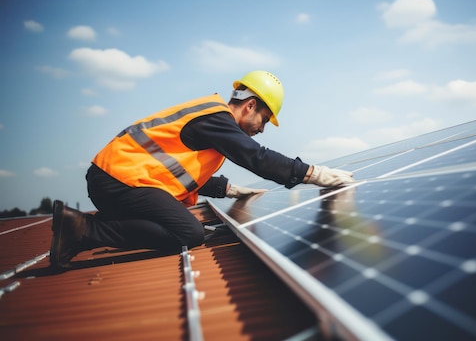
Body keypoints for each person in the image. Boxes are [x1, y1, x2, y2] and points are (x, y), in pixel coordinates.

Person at [49, 70, 355, 268]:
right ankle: (83, 230)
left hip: (119, 179)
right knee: (189, 232)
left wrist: (229, 189)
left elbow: (181, 170)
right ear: (249, 105)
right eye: (264, 118)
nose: (262, 128)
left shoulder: (213, 122)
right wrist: (314, 174)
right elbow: (256, 157)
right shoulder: (216, 117)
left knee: (184, 228)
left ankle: (78, 226)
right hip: (119, 179)